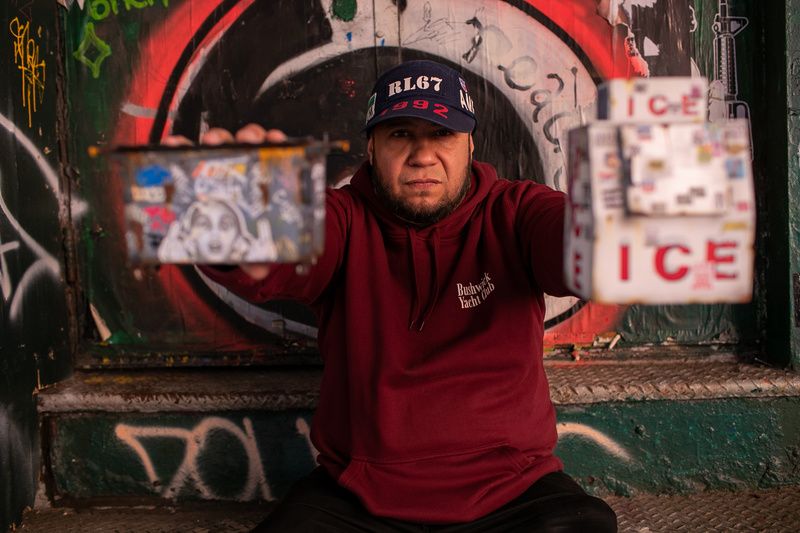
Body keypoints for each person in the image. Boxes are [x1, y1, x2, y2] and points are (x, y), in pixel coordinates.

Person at [168, 60, 617, 532]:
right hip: (359, 496)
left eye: (441, 134)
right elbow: (288, 251)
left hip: (510, 490)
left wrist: (609, 235)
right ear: (372, 147)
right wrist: (244, 243)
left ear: (470, 145)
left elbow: (572, 240)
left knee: (585, 525)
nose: (422, 155)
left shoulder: (517, 211)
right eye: (401, 134)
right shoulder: (342, 218)